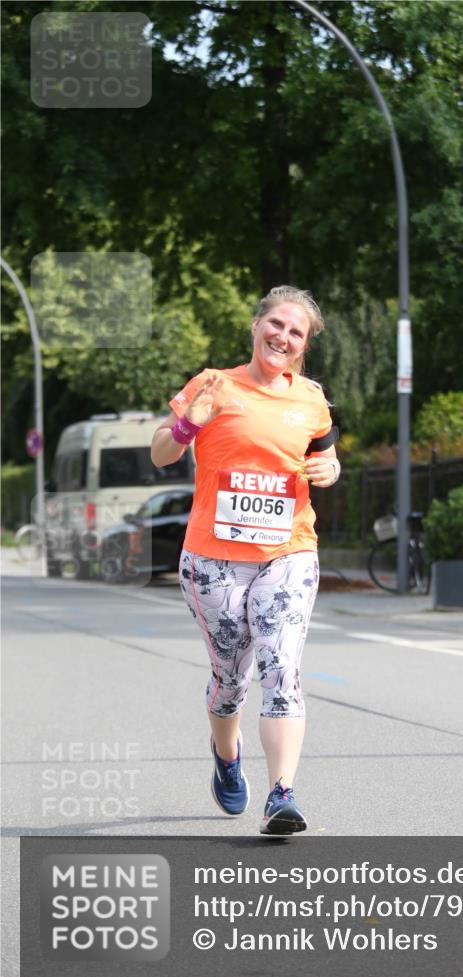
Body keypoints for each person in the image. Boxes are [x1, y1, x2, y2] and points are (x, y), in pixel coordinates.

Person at [150, 286, 339, 835]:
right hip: (213, 559)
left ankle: (282, 794)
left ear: (303, 347)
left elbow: (325, 460)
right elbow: (161, 451)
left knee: (282, 670)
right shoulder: (213, 384)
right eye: (275, 324)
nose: (283, 336)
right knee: (231, 678)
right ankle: (227, 757)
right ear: (256, 326)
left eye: (295, 332)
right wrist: (190, 422)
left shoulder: (310, 399)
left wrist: (331, 472)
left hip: (288, 552)